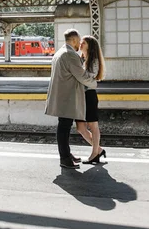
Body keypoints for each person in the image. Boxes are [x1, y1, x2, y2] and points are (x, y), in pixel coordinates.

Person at [45, 29, 97, 169]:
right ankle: (65, 158)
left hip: (62, 96)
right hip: (67, 97)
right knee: (64, 127)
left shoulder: (60, 52)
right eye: (78, 40)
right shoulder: (70, 55)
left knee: (64, 126)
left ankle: (67, 154)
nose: (79, 43)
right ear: (73, 40)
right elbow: (81, 76)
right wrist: (94, 83)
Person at [75, 35, 106, 164]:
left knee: (93, 125)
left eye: (83, 42)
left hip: (89, 95)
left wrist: (77, 75)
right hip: (80, 96)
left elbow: (87, 77)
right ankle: (98, 149)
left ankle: (94, 153)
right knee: (80, 127)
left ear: (90, 46)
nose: (80, 44)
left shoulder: (93, 61)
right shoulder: (80, 59)